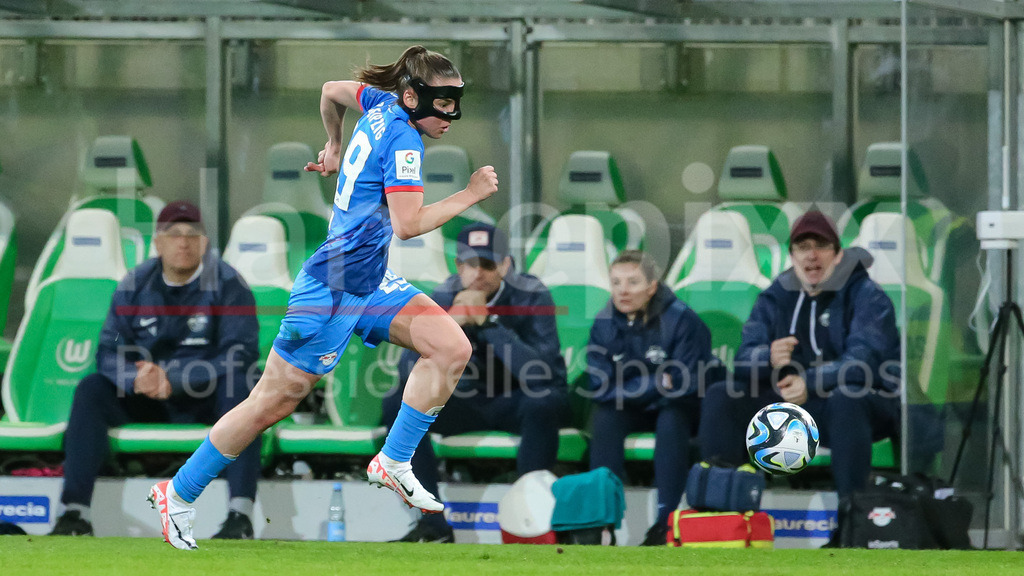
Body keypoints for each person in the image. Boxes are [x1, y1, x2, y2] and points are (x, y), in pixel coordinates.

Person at [149, 45, 498, 550]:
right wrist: (469, 194)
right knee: (270, 403)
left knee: (451, 348)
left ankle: (394, 461)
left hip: (368, 281)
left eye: (454, 102)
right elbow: (407, 225)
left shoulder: (380, 104)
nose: (450, 115)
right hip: (331, 291)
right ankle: (177, 494)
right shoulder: (403, 137)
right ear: (411, 95)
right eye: (441, 103)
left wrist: (333, 146)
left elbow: (330, 91)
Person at [50, 200, 262, 539]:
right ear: (157, 242)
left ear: (205, 243)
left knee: (243, 390)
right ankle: (74, 513)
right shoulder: (134, 285)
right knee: (91, 389)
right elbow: (107, 350)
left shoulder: (228, 285)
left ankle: (240, 516)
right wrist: (134, 377)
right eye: (173, 235)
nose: (183, 243)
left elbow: (241, 354)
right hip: (146, 397)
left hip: (206, 399)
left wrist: (176, 380)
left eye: (192, 234)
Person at [383, 222, 570, 543]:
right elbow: (409, 368)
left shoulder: (531, 294)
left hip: (518, 400)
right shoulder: (442, 296)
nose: (478, 273)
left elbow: (539, 372)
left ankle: (531, 520)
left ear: (506, 265)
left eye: (488, 264)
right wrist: (449, 324)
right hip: (468, 401)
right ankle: (433, 524)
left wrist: (490, 323)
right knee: (397, 401)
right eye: (470, 264)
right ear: (458, 265)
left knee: (544, 400)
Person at [698, 210, 901, 500]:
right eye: (803, 248)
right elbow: (743, 359)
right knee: (722, 394)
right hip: (792, 404)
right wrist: (767, 357)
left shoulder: (867, 295)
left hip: (856, 405)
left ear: (838, 254)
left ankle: (851, 520)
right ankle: (721, 510)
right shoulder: (776, 296)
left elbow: (863, 361)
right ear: (792, 256)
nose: (812, 256)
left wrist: (810, 382)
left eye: (821, 246)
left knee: (848, 399)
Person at [585, 250, 722, 546]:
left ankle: (667, 521)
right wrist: (657, 381)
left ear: (652, 286)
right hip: (635, 405)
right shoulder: (604, 323)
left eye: (632, 282)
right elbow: (600, 386)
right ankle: (599, 523)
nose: (622, 290)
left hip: (685, 408)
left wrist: (637, 386)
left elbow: (685, 385)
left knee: (671, 415)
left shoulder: (683, 320)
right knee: (605, 416)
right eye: (616, 282)